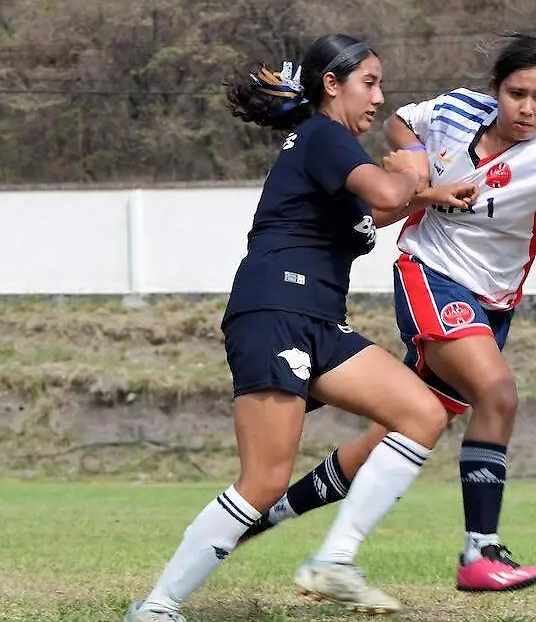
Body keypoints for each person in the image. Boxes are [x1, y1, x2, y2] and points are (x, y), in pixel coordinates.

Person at [238, 33, 536, 592]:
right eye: (516, 94)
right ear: (496, 91)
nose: (528, 108)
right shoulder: (455, 110)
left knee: (404, 430)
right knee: (498, 394)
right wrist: (419, 169)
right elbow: (402, 124)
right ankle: (479, 554)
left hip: (491, 306)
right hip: (430, 273)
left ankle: (292, 530)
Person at [123, 34, 479, 622]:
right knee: (263, 481)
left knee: (423, 414)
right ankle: (158, 606)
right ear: (331, 85)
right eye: (369, 83)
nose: (379, 97)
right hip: (272, 312)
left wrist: (430, 195)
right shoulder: (324, 136)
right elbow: (391, 189)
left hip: (318, 321)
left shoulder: (329, 154)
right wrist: (415, 167)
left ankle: (336, 559)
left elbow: (379, 209)